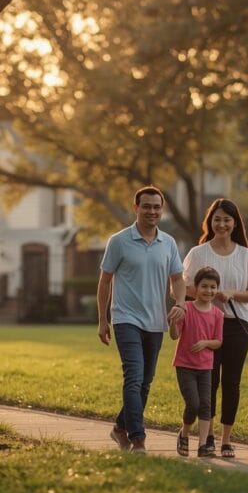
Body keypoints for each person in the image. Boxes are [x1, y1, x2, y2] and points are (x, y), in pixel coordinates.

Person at [97, 186, 187, 454]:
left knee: (145, 382)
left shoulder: (168, 243)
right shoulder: (119, 241)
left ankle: (119, 428)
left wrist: (180, 304)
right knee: (134, 377)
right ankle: (138, 438)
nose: (152, 211)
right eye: (146, 206)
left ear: (163, 209)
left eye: (157, 207)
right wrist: (103, 319)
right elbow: (105, 281)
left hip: (155, 322)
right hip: (125, 319)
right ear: (136, 208)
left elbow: (178, 280)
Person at [182, 198, 248, 458]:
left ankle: (227, 438)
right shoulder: (198, 253)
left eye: (227, 219)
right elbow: (185, 288)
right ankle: (208, 438)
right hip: (205, 325)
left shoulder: (246, 255)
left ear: (234, 223)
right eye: (217, 219)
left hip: (237, 325)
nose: (222, 224)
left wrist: (230, 294)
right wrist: (209, 294)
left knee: (232, 382)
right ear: (210, 222)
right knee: (209, 383)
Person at [169, 266, 224, 458]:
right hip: (185, 365)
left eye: (213, 287)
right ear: (195, 287)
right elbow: (174, 336)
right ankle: (184, 434)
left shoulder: (218, 314)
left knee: (206, 405)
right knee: (193, 403)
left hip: (205, 367)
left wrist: (205, 343)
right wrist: (171, 322)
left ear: (217, 289)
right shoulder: (187, 309)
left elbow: (218, 342)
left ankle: (202, 445)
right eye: (204, 286)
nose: (208, 291)